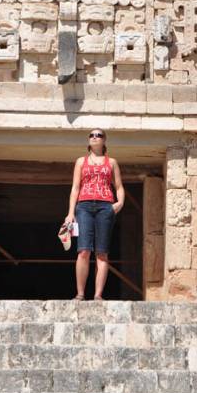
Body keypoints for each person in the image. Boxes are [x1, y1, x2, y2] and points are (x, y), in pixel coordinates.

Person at [65, 129, 125, 301]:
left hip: (105, 206)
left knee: (102, 252)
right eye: (91, 135)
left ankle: (98, 295)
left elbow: (119, 186)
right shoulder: (81, 161)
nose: (94, 137)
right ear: (88, 140)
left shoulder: (112, 162)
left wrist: (119, 203)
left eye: (98, 135)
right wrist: (70, 213)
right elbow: (75, 188)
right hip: (83, 206)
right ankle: (80, 293)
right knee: (83, 250)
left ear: (104, 139)